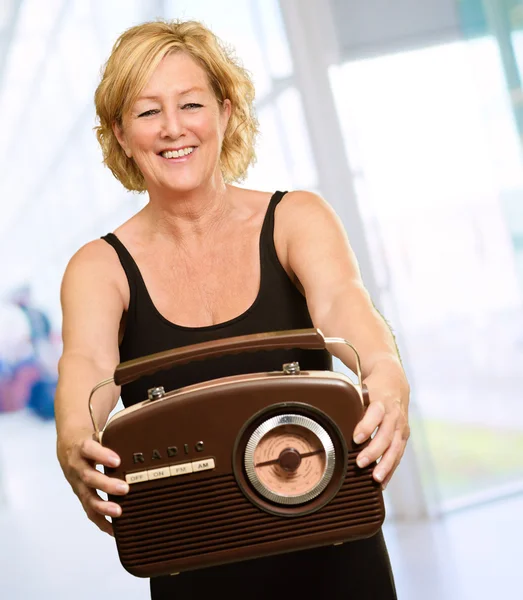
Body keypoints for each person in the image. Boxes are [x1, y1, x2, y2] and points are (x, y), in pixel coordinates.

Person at [55, 19, 410, 599]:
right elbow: (85, 367)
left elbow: (346, 304)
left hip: (334, 544)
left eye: (190, 104)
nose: (173, 129)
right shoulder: (98, 268)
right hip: (193, 560)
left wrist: (385, 371)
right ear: (119, 133)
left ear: (224, 111)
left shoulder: (297, 218)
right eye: (147, 112)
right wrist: (74, 438)